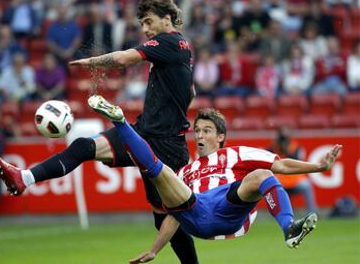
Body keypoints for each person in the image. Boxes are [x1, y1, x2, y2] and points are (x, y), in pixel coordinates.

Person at [0, 0, 198, 264]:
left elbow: (124, 59)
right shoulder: (180, 47)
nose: (145, 29)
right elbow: (191, 92)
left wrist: (90, 62)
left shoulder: (169, 41)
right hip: (145, 134)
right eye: (142, 24)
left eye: (149, 22)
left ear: (167, 18)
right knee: (84, 146)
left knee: (168, 220)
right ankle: (24, 178)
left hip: (167, 146)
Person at [69, 95, 340, 263]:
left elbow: (280, 163)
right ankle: (120, 121)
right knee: (158, 170)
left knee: (263, 174)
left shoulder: (237, 153)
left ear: (220, 136)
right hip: (196, 212)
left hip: (227, 207)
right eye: (197, 130)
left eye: (206, 130)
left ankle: (289, 228)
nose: (199, 135)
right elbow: (173, 216)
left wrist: (318, 167)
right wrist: (154, 250)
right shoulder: (186, 171)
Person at [268, 127, 318, 213]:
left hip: (294, 181)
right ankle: (276, 212)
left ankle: (313, 212)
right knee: (266, 185)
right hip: (279, 181)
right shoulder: (273, 147)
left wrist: (286, 150)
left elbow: (298, 161)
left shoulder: (296, 147)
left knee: (306, 185)